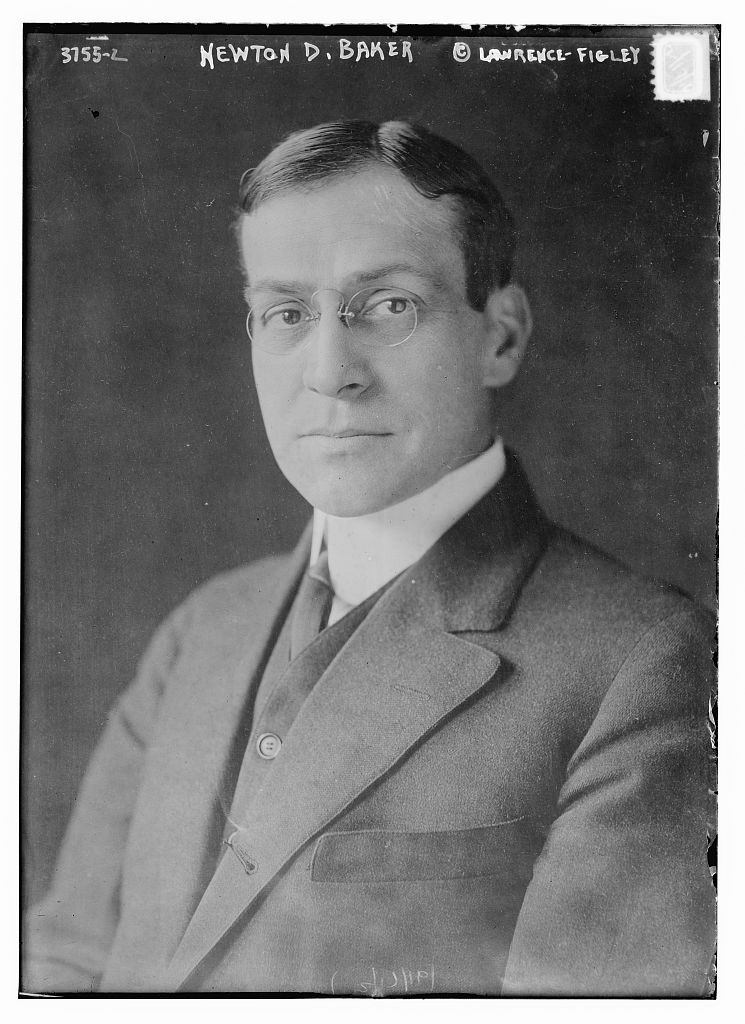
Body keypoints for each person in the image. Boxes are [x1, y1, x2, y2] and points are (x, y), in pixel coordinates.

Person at [23, 120, 715, 996]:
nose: (329, 372)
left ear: (501, 337)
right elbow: (62, 966)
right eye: (286, 313)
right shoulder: (202, 631)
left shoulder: (641, 662)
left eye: (389, 306)